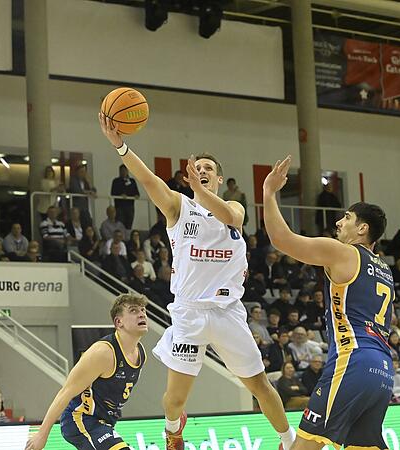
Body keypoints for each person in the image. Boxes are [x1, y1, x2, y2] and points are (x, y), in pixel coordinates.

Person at [98, 117, 297, 449]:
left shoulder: (233, 206)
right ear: (189, 174)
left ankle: (289, 442)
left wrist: (202, 191)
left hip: (227, 313)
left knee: (260, 385)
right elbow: (147, 179)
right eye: (197, 166)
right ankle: (173, 430)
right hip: (189, 315)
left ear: (218, 178)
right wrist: (121, 146)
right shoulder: (179, 206)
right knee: (173, 401)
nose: (202, 169)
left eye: (208, 168)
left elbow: (232, 218)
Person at [263, 155, 392, 450]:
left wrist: (269, 193)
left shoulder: (343, 252)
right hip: (383, 369)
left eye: (346, 217)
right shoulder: (385, 269)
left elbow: (281, 239)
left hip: (353, 360)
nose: (338, 221)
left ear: (362, 229)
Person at [25, 294, 149, 450]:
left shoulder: (141, 353)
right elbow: (66, 392)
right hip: (80, 419)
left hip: (105, 422)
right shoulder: (103, 352)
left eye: (143, 310)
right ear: (119, 322)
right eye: (133, 310)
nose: (141, 314)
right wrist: (42, 434)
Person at [110, 164, 140, 229]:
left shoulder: (132, 181)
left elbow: (137, 193)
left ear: (127, 171)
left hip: (130, 207)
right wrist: (120, 195)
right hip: (119, 207)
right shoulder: (116, 181)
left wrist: (135, 195)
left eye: (125, 170)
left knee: (129, 224)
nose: (123, 172)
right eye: (122, 171)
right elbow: (113, 193)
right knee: (120, 224)